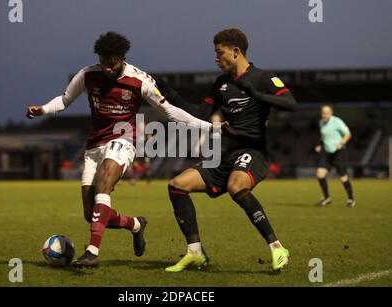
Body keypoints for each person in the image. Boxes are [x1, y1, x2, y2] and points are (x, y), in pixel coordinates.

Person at [26, 32, 212, 268]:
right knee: (90, 213)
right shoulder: (87, 74)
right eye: (103, 63)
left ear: (122, 59)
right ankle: (135, 224)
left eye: (112, 64)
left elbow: (169, 111)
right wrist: (41, 110)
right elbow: (64, 100)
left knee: (104, 182)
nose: (107, 69)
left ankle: (92, 252)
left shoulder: (140, 80)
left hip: (123, 140)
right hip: (94, 145)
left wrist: (207, 126)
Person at [156, 28, 296, 272]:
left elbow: (290, 103)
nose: (216, 58)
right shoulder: (221, 83)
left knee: (236, 186)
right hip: (224, 156)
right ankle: (195, 253)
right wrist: (170, 94)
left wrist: (258, 94)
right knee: (177, 185)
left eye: (219, 53)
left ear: (236, 51)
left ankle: (277, 247)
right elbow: (200, 113)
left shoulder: (264, 78)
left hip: (253, 152)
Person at [315, 104, 355, 207]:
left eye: (327, 112)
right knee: (320, 174)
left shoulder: (337, 121)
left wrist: (341, 143)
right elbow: (323, 136)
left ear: (331, 113)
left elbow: (348, 134)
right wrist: (320, 145)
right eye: (323, 112)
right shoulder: (320, 122)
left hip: (339, 152)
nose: (325, 115)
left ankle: (351, 199)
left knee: (343, 177)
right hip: (326, 152)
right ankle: (327, 197)